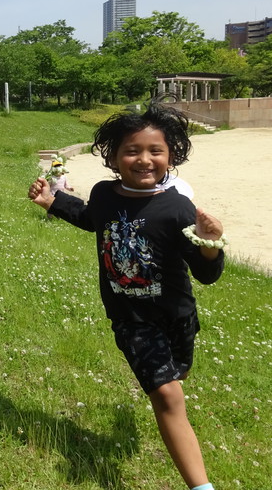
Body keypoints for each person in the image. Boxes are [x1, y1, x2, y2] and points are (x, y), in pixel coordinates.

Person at [28, 105, 224, 490]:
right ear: (115, 156)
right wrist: (53, 202)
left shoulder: (177, 206)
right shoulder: (104, 194)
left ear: (171, 155)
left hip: (178, 314)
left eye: (156, 150)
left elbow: (206, 274)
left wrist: (211, 245)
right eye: (132, 150)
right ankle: (202, 487)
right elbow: (92, 219)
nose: (145, 159)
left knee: (177, 376)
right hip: (131, 318)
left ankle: (168, 389)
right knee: (168, 395)